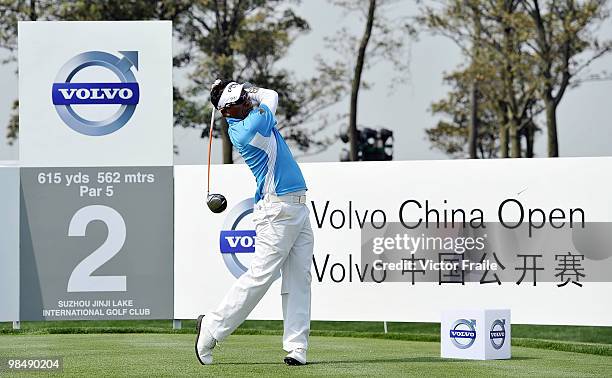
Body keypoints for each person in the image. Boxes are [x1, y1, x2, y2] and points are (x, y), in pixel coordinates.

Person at [195, 79, 314, 366]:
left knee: (300, 279)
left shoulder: (248, 114)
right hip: (277, 210)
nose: (248, 102)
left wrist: (242, 89)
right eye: (241, 101)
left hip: (297, 206)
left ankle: (297, 347)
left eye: (246, 98)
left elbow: (264, 97)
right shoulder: (248, 127)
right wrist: (253, 90)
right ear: (228, 112)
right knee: (261, 275)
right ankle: (212, 326)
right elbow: (271, 95)